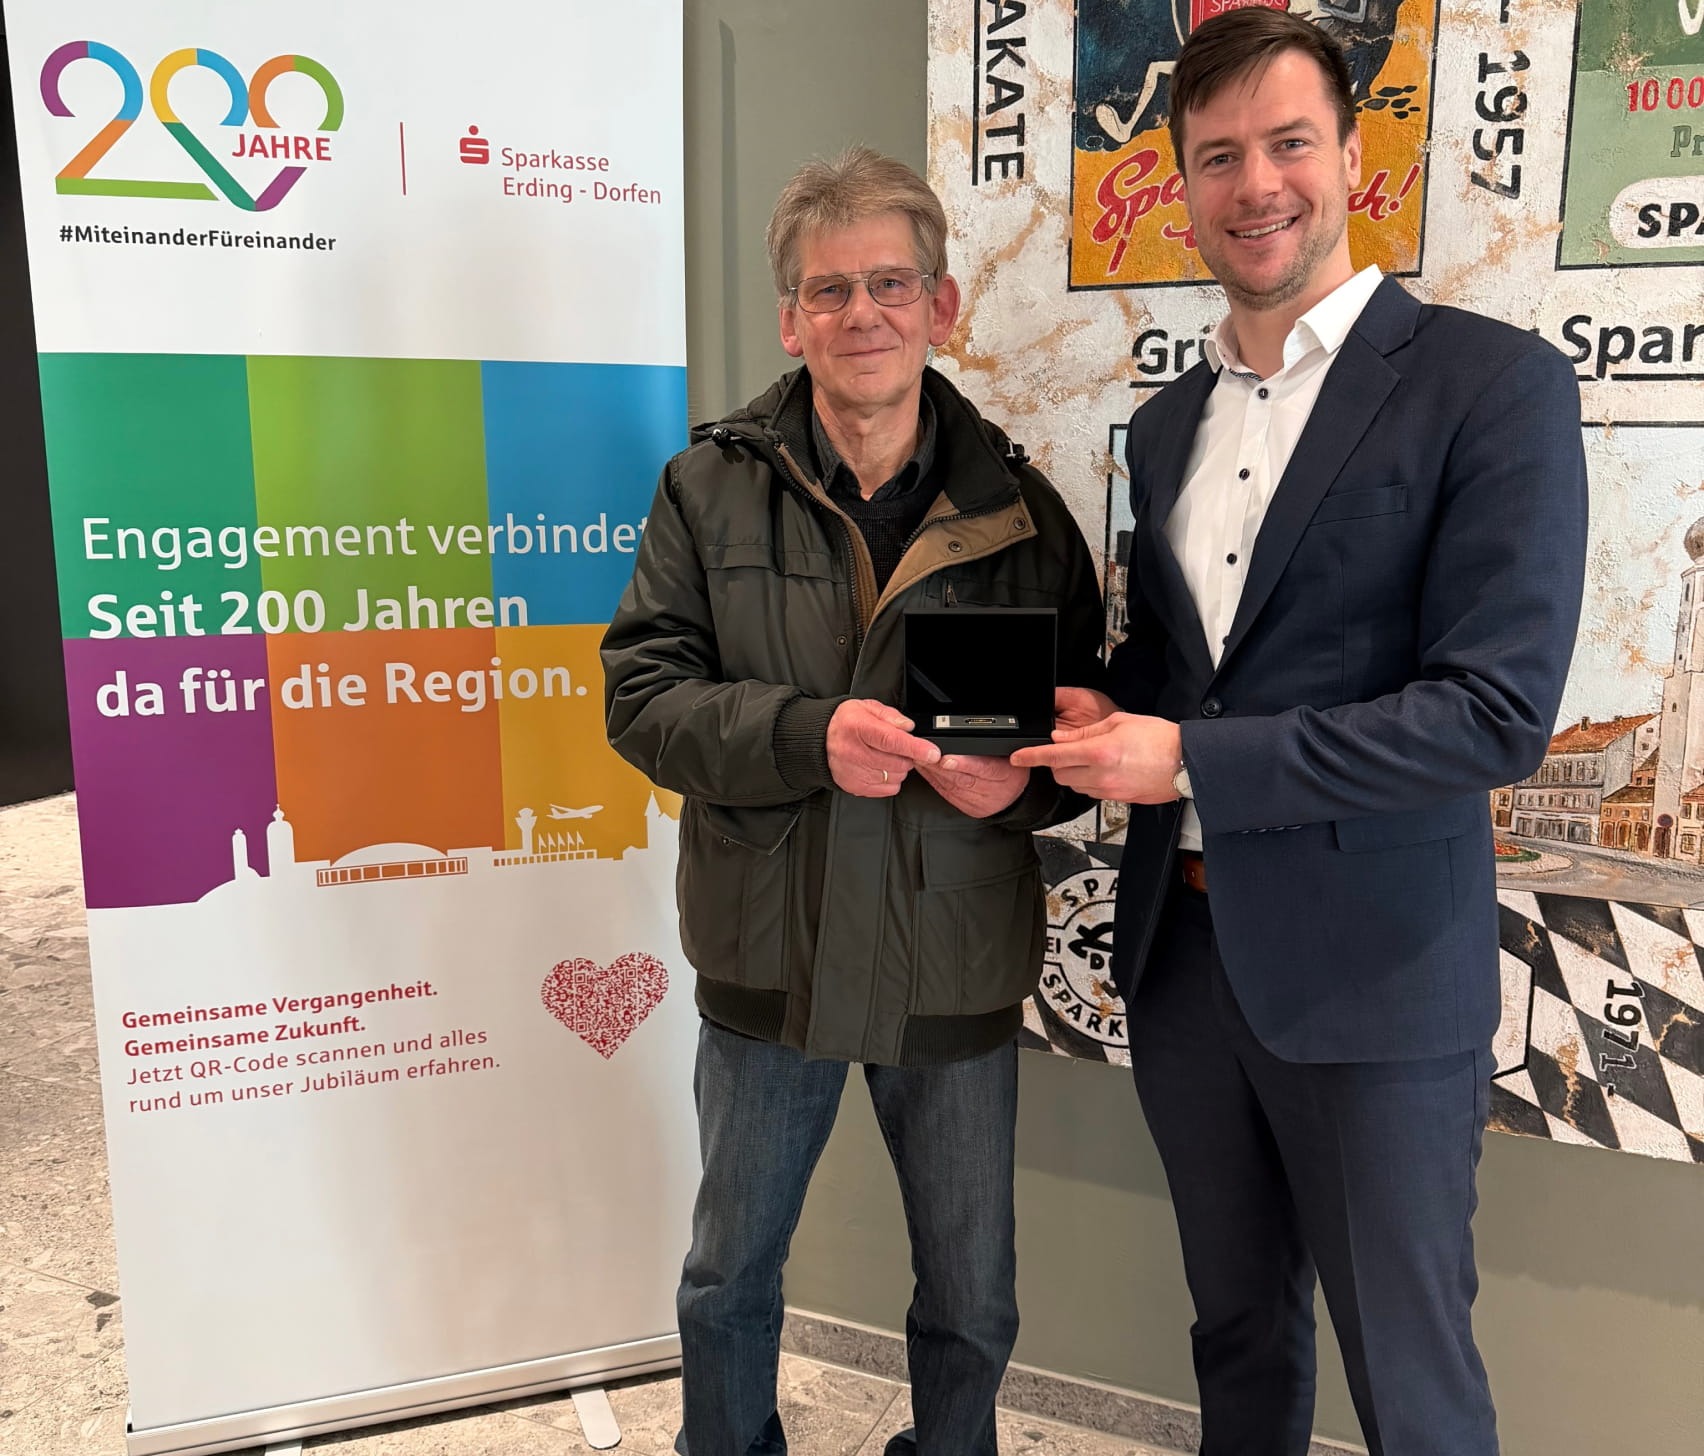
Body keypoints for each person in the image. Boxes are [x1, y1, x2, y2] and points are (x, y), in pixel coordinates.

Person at [1012, 12, 1588, 1455]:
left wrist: (1186, 761)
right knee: (1236, 1337)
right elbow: (1187, 673)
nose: (1255, 184)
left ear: (1351, 158)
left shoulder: (1490, 384)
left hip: (1377, 977)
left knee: (1410, 1377)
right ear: (1181, 184)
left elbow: (1493, 714)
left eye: (1287, 143)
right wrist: (1111, 712)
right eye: (1218, 156)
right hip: (1184, 960)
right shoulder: (1167, 427)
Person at [602, 147, 1105, 1456]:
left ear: (942, 305)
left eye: (890, 284)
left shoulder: (1024, 514)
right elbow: (641, 701)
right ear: (791, 319)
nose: (861, 314)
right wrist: (808, 736)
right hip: (771, 955)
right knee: (727, 1279)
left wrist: (1026, 782)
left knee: (972, 1300)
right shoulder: (704, 491)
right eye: (829, 290)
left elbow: (1081, 726)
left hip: (955, 956)